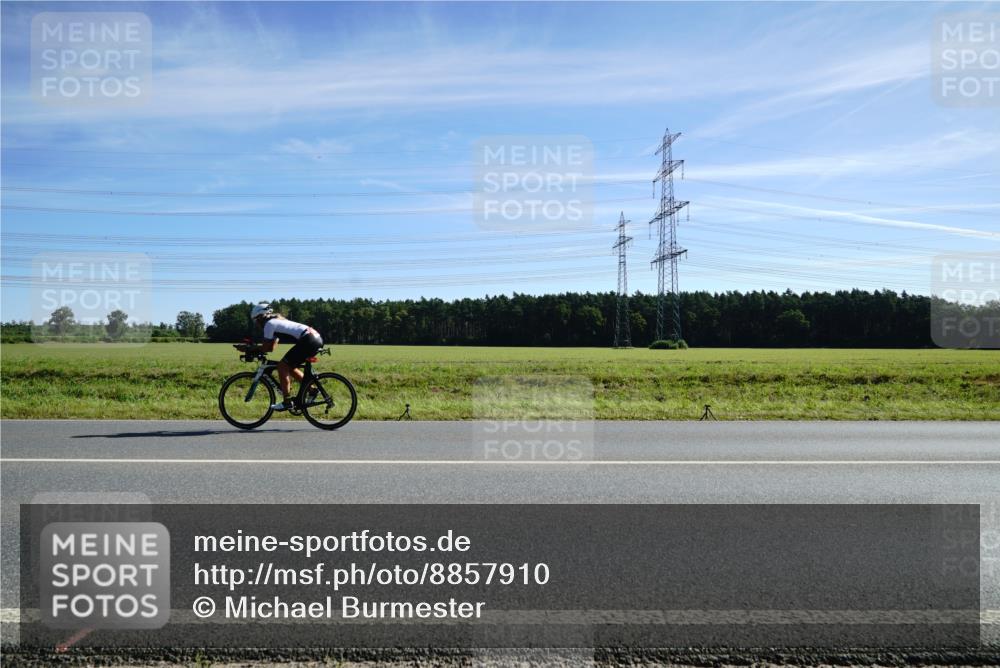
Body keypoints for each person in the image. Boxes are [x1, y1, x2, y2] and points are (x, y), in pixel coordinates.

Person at [247, 303, 323, 411]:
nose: (256, 324)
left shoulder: (269, 324)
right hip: (315, 338)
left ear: (260, 317)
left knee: (282, 366)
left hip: (308, 340)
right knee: (289, 366)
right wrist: (256, 348)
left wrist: (249, 349)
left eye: (256, 320)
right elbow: (271, 348)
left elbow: (265, 347)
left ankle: (287, 402)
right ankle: (312, 390)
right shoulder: (276, 322)